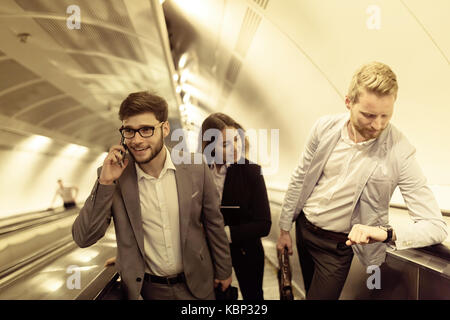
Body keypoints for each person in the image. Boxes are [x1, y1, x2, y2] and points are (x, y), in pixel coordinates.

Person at [276, 61, 448, 300]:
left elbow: (436, 226)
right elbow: (300, 177)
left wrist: (385, 232)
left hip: (337, 249)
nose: (377, 125)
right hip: (304, 231)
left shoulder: (400, 151)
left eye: (385, 116)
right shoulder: (324, 127)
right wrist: (284, 228)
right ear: (348, 102)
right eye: (368, 115)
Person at [72, 91, 232, 300]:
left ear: (164, 128)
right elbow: (84, 238)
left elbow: (214, 223)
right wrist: (105, 182)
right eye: (129, 131)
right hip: (147, 292)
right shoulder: (116, 176)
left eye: (146, 130)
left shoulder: (195, 167)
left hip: (197, 285)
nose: (136, 140)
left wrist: (224, 269)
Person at [201, 113, 272, 300]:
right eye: (225, 144)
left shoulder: (252, 171)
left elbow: (264, 224)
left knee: (253, 297)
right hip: (210, 252)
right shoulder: (198, 172)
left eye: (236, 140)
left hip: (246, 250)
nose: (235, 148)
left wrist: (223, 234)